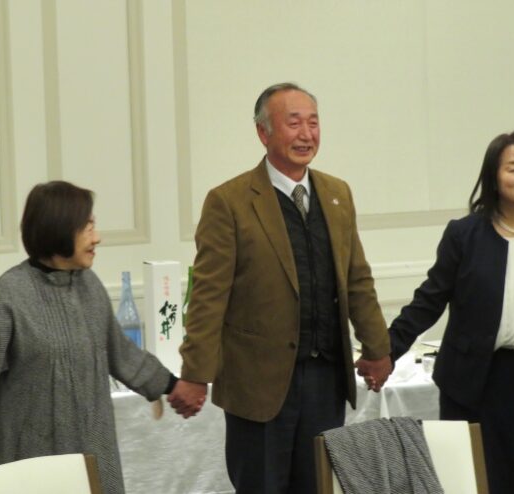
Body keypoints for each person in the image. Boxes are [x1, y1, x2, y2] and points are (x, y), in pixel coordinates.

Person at [167, 82, 392, 493]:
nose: (307, 134)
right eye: (294, 123)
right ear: (263, 132)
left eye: (313, 123)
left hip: (325, 380)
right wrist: (196, 373)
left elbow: (357, 278)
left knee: (318, 486)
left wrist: (377, 349)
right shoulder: (229, 201)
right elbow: (208, 297)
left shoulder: (337, 194)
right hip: (259, 384)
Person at [0, 181, 194, 494]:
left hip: (94, 455)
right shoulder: (8, 296)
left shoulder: (90, 287)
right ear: (60, 228)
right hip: (30, 464)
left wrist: (173, 385)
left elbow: (123, 354)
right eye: (88, 227)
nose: (97, 238)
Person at [387, 130, 514, 494]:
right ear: (493, 176)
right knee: (469, 482)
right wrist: (386, 350)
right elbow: (430, 299)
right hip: (471, 381)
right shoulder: (465, 234)